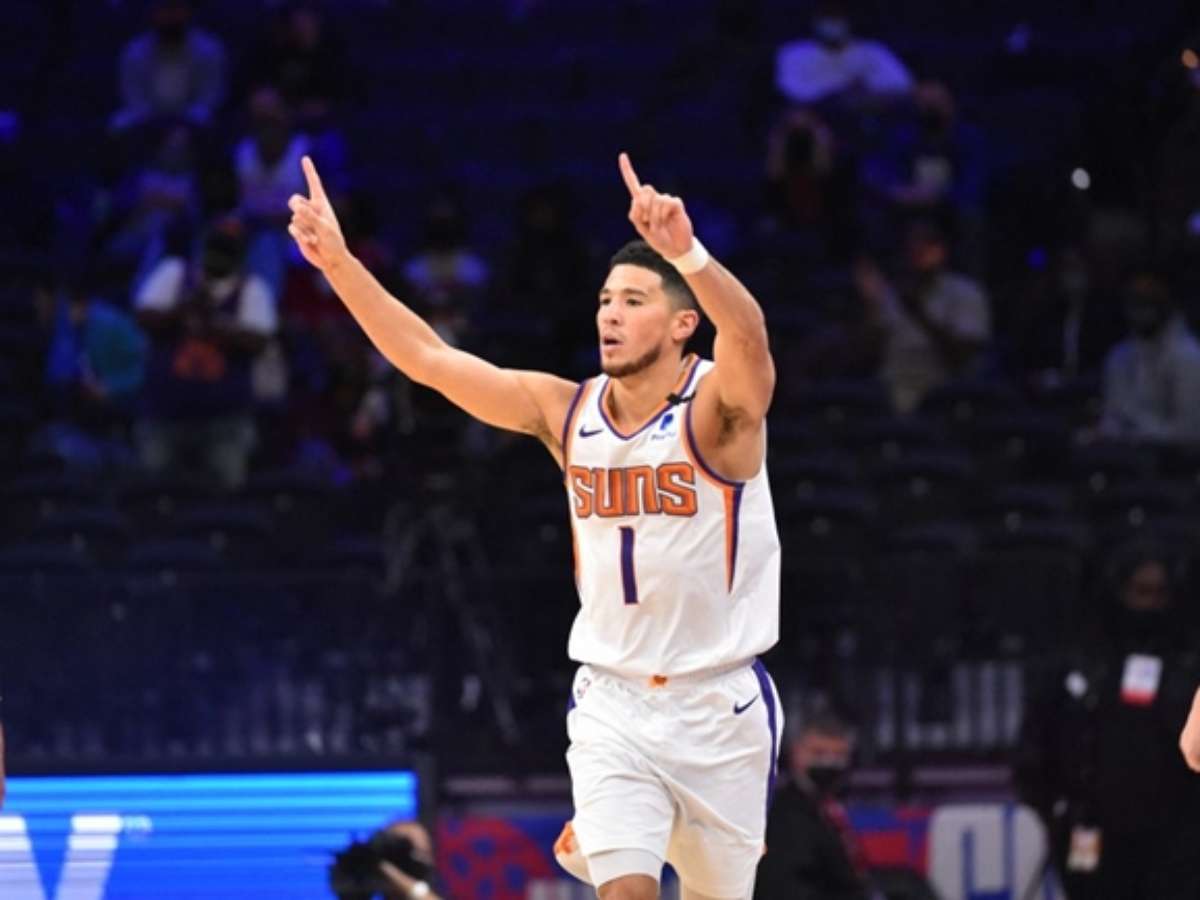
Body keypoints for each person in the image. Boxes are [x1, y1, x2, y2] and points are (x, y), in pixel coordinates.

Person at [288, 152, 782, 900]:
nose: (610, 314)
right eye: (605, 299)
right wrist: (339, 264)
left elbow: (748, 336)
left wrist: (689, 254)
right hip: (615, 701)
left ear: (685, 323)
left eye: (634, 300)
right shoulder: (566, 411)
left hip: (720, 705)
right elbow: (428, 359)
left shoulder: (720, 413)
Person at [1016, 539, 1200, 899]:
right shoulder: (1081, 663)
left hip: (1172, 840)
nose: (1150, 604)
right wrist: (1057, 810)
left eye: (1159, 593)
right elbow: (1036, 744)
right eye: (1141, 592)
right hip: (1090, 831)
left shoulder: (1187, 667)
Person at [134, 218, 278, 489]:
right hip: (166, 411)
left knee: (226, 490)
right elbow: (144, 316)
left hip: (225, 417)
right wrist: (184, 309)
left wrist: (215, 324)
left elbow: (259, 341)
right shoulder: (176, 273)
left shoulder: (252, 288)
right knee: (155, 489)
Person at [858, 219, 991, 413]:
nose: (918, 250)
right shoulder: (889, 293)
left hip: (946, 391)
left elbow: (963, 358)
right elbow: (866, 355)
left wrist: (919, 314)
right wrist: (871, 305)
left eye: (927, 244)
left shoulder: (966, 292)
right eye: (912, 244)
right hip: (890, 389)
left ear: (942, 250)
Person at [753, 714, 880, 900]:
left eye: (838, 755)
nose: (829, 763)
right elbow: (787, 887)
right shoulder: (783, 815)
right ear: (796, 753)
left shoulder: (829, 808)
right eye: (819, 754)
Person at [1097, 266, 1200, 444]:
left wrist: (1135, 433)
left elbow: (1189, 432)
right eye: (1135, 299)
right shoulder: (1118, 356)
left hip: (1173, 456)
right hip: (1121, 450)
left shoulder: (1188, 357)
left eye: (1148, 299)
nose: (1140, 309)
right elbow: (1112, 416)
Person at [110, 0, 227, 133]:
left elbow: (210, 97)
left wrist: (184, 124)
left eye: (176, 9)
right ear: (152, 13)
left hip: (195, 119)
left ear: (189, 11)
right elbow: (134, 98)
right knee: (118, 125)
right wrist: (154, 125)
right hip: (145, 119)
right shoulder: (134, 52)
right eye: (164, 9)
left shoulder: (209, 50)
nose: (170, 16)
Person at [774, 0, 913, 110]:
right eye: (827, 15)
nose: (832, 23)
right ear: (815, 19)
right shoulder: (793, 53)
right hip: (818, 118)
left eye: (836, 16)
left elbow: (902, 86)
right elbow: (792, 91)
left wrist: (867, 96)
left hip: (872, 117)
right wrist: (841, 91)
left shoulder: (872, 51)